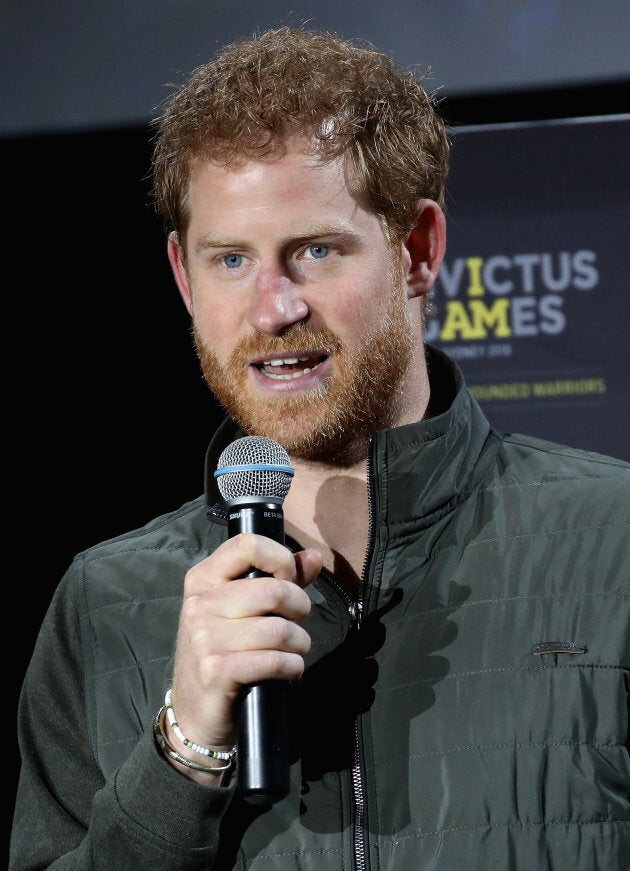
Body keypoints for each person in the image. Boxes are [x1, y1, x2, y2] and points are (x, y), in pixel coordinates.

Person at [9, 25, 630, 871]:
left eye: (314, 251)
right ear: (185, 278)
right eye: (231, 259)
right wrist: (182, 753)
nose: (272, 309)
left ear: (418, 250)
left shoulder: (614, 538)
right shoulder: (103, 601)